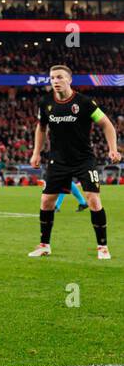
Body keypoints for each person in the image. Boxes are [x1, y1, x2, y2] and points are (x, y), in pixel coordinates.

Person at [28, 65, 119, 260]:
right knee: (46, 201)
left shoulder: (84, 102)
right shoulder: (45, 103)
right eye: (52, 78)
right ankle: (44, 245)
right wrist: (36, 152)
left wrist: (112, 148)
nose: (55, 81)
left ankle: (102, 247)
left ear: (69, 80)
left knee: (93, 200)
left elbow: (106, 124)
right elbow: (41, 128)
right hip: (58, 160)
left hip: (83, 159)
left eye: (59, 77)